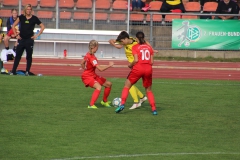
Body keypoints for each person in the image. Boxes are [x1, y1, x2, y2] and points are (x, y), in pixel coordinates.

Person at [115, 31, 157, 115]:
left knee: (127, 85)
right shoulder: (149, 48)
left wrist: (130, 65)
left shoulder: (135, 47)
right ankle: (154, 110)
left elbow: (136, 60)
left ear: (137, 39)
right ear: (144, 38)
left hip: (138, 68)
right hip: (148, 69)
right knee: (149, 90)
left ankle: (122, 104)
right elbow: (152, 62)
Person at [109, 31, 148, 110]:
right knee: (129, 83)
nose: (122, 42)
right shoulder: (125, 41)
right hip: (134, 66)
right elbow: (111, 41)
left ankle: (136, 102)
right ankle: (142, 97)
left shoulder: (135, 43)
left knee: (128, 84)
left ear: (126, 38)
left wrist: (152, 50)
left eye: (123, 41)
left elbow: (145, 42)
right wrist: (115, 44)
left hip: (136, 66)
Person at [10, 4, 45, 76]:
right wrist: (16, 35)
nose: (29, 11)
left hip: (29, 40)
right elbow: (13, 25)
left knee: (29, 56)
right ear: (25, 10)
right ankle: (13, 71)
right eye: (27, 9)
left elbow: (42, 26)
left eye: (30, 9)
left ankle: (27, 71)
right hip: (21, 39)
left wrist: (37, 35)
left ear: (31, 10)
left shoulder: (34, 18)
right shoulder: (21, 17)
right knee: (18, 56)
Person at [81, 40, 114, 109]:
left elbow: (82, 63)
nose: (98, 48)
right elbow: (100, 69)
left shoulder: (88, 54)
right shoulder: (92, 57)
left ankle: (104, 101)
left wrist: (85, 69)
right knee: (98, 87)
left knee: (108, 84)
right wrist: (109, 65)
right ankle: (91, 105)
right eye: (97, 47)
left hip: (92, 75)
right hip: (87, 77)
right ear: (94, 47)